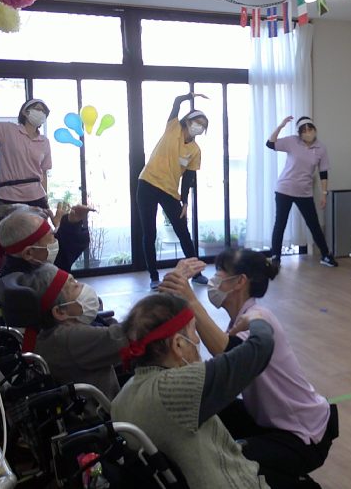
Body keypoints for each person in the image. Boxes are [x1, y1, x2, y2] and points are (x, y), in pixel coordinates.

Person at [161, 249, 338, 488]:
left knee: (230, 460)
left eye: (220, 272)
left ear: (240, 281)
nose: (214, 279)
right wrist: (173, 287)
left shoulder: (259, 317)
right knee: (211, 410)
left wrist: (190, 299)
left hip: (303, 434)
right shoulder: (238, 320)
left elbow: (229, 352)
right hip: (270, 422)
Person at [112, 287, 275, 488]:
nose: (197, 340)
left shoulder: (121, 399)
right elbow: (260, 348)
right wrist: (256, 318)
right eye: (193, 331)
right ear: (178, 344)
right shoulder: (175, 388)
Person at [4, 263, 127, 399]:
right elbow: (126, 336)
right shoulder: (70, 338)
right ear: (60, 312)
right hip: (105, 408)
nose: (82, 286)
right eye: (74, 286)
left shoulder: (46, 333)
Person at [137, 92, 210, 290]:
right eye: (197, 122)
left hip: (169, 191)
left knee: (183, 232)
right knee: (149, 233)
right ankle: (154, 277)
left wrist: (185, 201)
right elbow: (176, 102)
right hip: (147, 183)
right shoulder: (173, 127)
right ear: (188, 121)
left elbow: (188, 178)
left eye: (203, 125)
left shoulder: (195, 150)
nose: (199, 126)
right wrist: (190, 95)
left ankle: (197, 274)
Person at [267, 116, 337, 268]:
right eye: (304, 130)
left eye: (310, 129)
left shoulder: (321, 148)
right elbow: (270, 144)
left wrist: (324, 194)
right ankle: (275, 257)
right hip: (285, 188)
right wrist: (281, 126)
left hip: (304, 191)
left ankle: (325, 255)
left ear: (314, 130)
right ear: (299, 133)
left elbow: (323, 172)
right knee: (280, 223)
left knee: (313, 224)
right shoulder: (292, 141)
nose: (307, 132)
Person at [0, 99, 52, 209]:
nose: (41, 113)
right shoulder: (8, 130)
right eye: (38, 109)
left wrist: (45, 196)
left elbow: (44, 172)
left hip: (36, 195)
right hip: (8, 195)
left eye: (44, 112)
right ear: (25, 112)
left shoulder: (44, 142)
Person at [0, 205, 93, 275]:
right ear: (29, 253)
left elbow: (64, 251)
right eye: (52, 237)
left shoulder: (29, 264)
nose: (56, 241)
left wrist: (72, 224)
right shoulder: (38, 285)